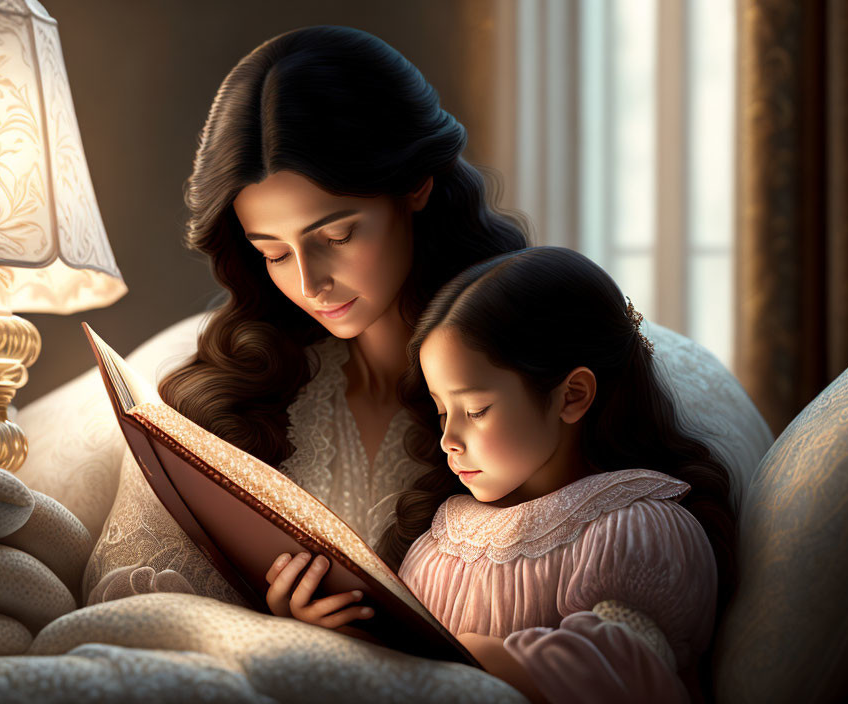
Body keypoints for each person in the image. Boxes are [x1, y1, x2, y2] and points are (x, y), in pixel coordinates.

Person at [83, 24, 528, 603]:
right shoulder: (240, 390)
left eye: (337, 235)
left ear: (416, 184)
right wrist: (276, 619)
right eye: (271, 252)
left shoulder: (527, 373)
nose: (308, 283)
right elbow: (130, 600)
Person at [267, 247, 736, 703]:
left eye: (476, 409)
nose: (448, 438)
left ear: (572, 395)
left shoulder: (634, 525)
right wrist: (336, 632)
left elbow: (622, 668)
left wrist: (438, 659)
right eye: (441, 410)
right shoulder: (438, 542)